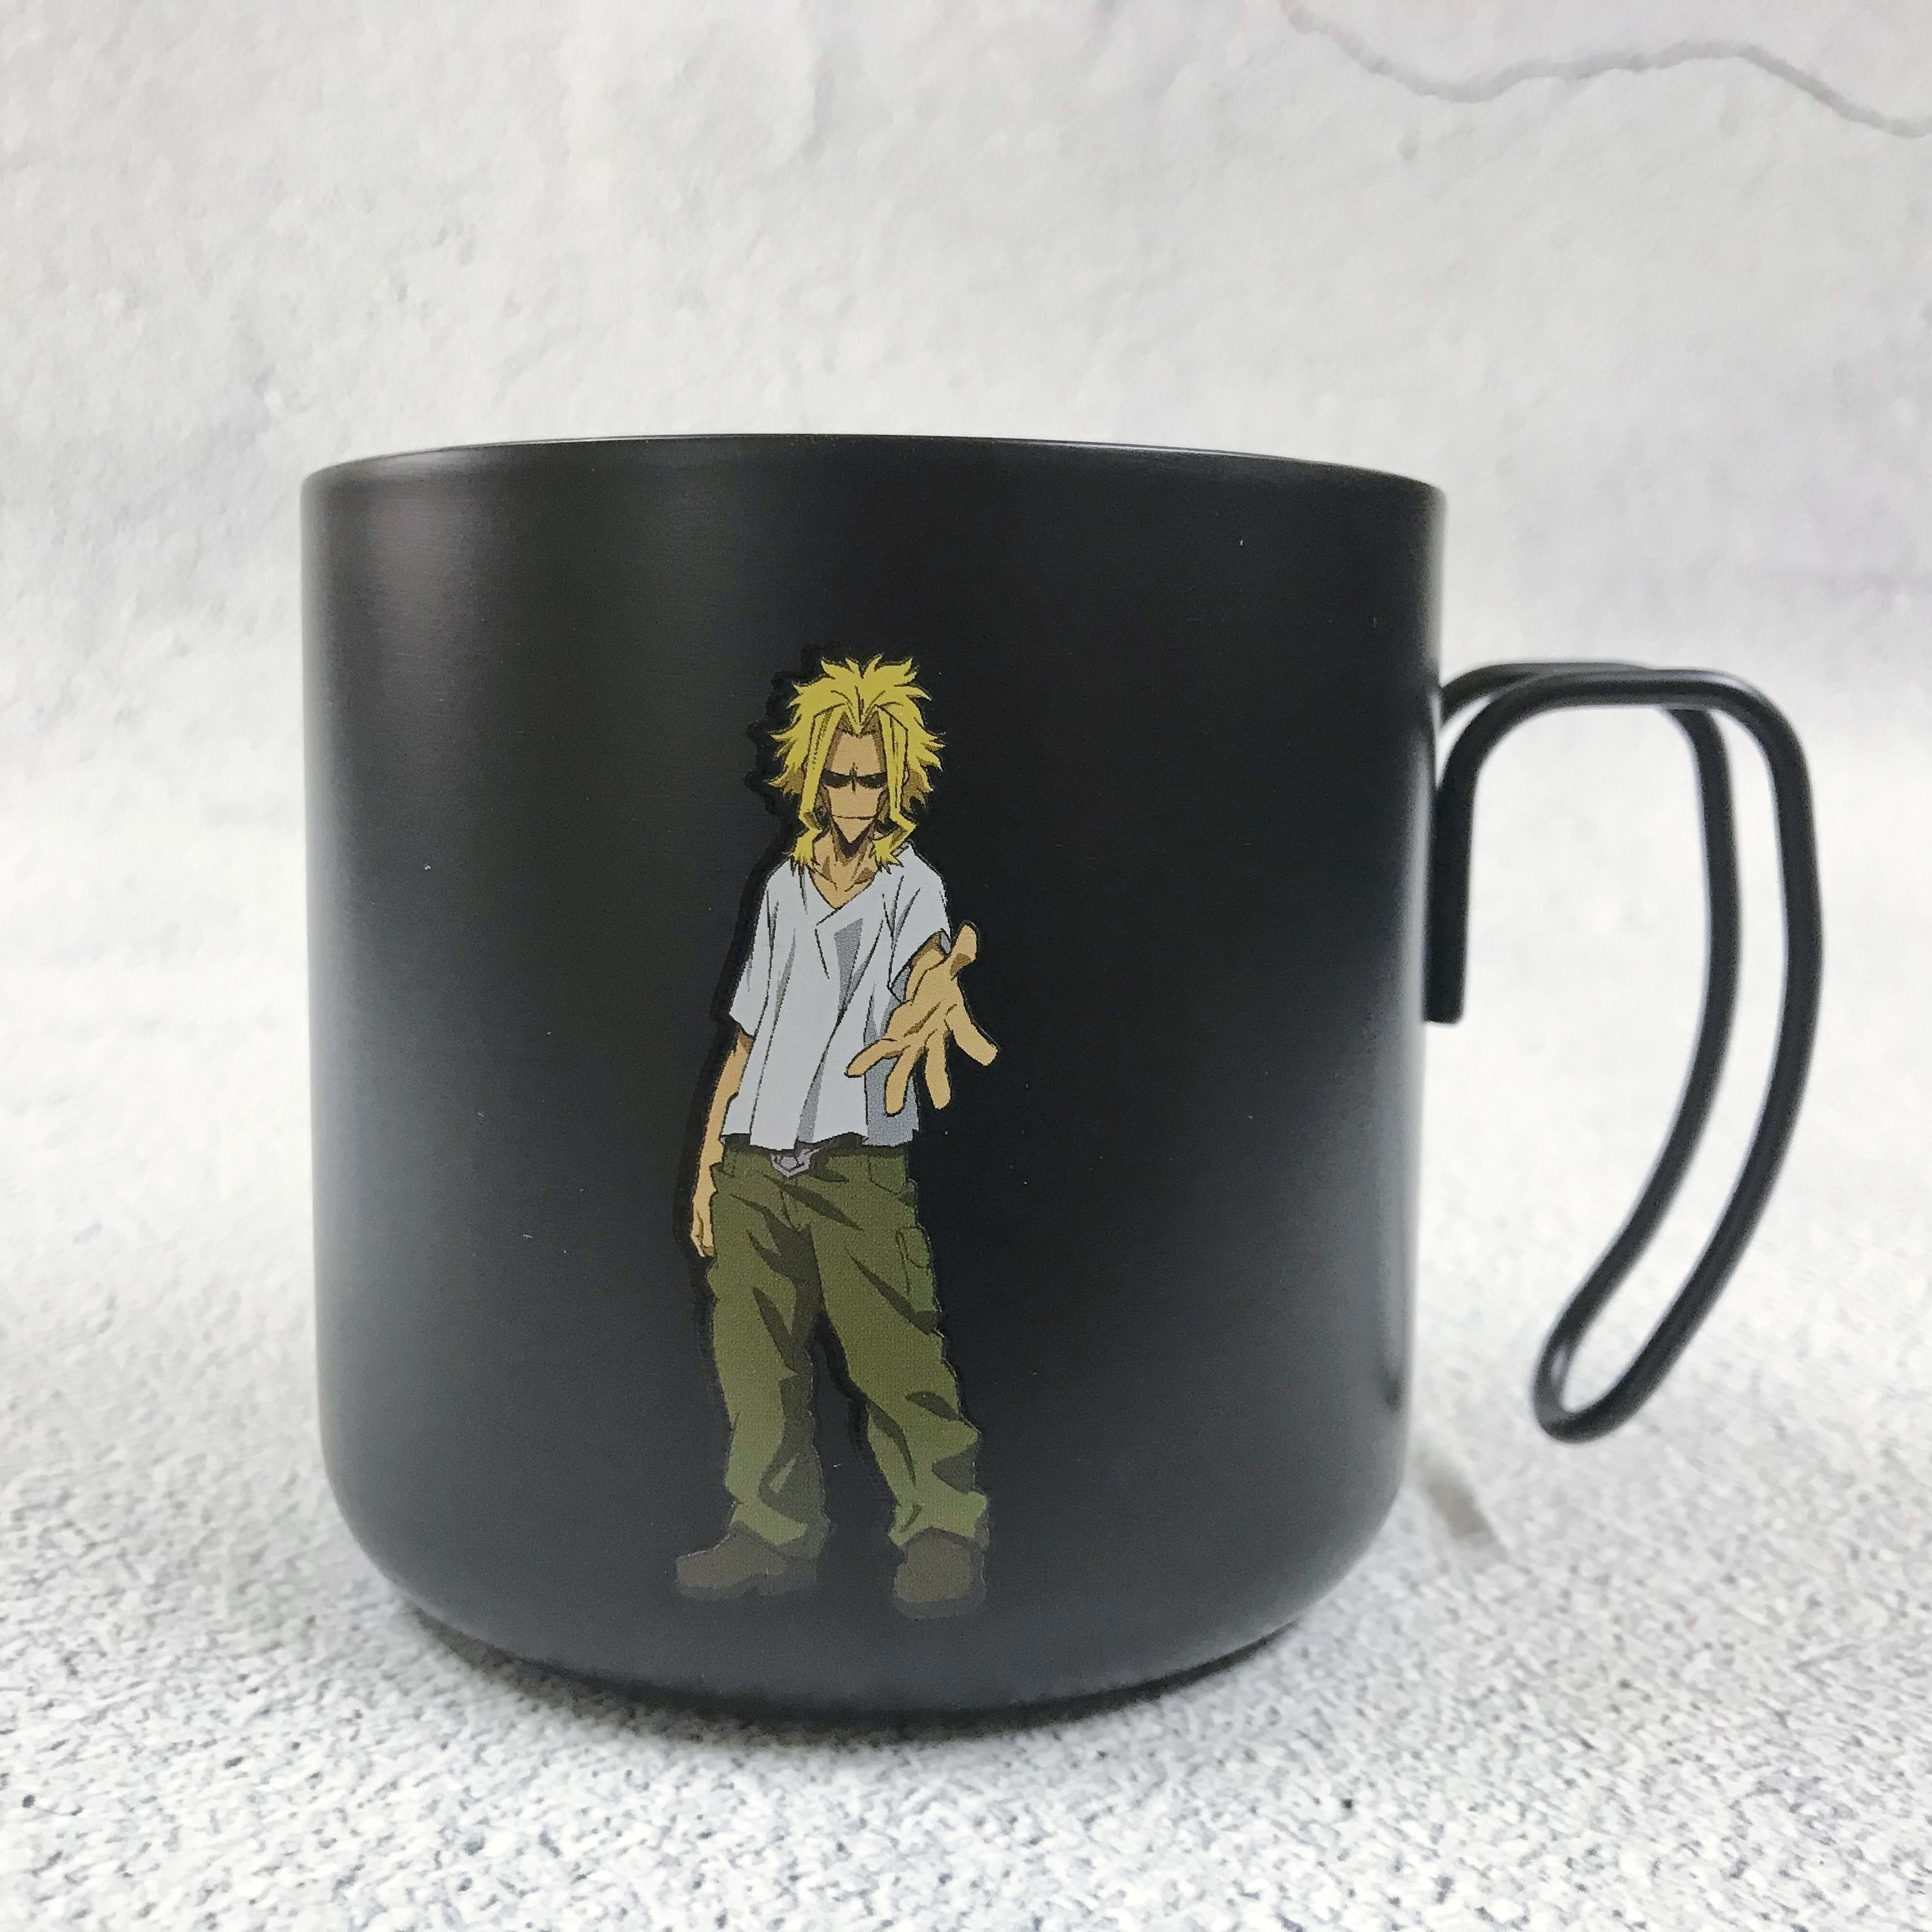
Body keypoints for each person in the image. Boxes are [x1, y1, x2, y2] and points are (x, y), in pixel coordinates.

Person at [677, 656, 999, 1618]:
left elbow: (928, 966)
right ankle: (768, 1538)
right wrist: (708, 1167)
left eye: (870, 779)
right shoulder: (784, 886)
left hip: (855, 1164)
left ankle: (942, 1535)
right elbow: (746, 1036)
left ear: (897, 783)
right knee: (755, 1363)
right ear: (811, 778)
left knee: (896, 1356)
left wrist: (937, 992)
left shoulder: (912, 890)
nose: (854, 796)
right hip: (754, 1164)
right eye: (839, 777)